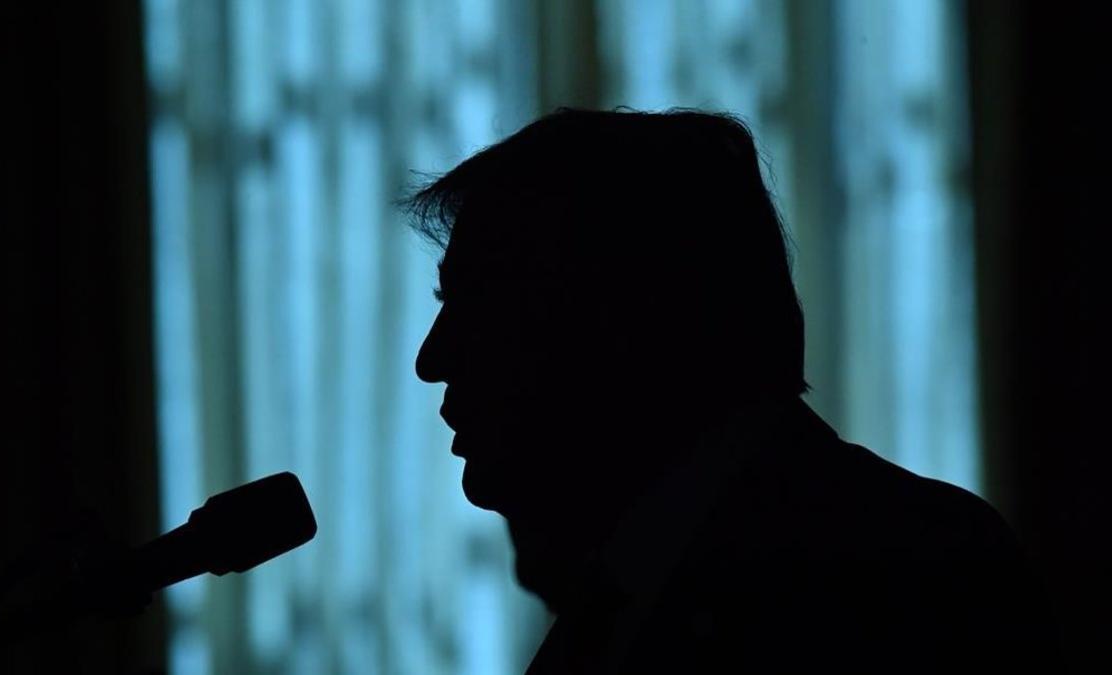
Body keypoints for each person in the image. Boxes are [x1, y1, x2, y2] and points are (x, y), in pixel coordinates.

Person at [407, 109, 1059, 673]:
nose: (431, 359)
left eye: (479, 303)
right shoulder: (619, 594)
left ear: (619, 318)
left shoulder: (908, 575)